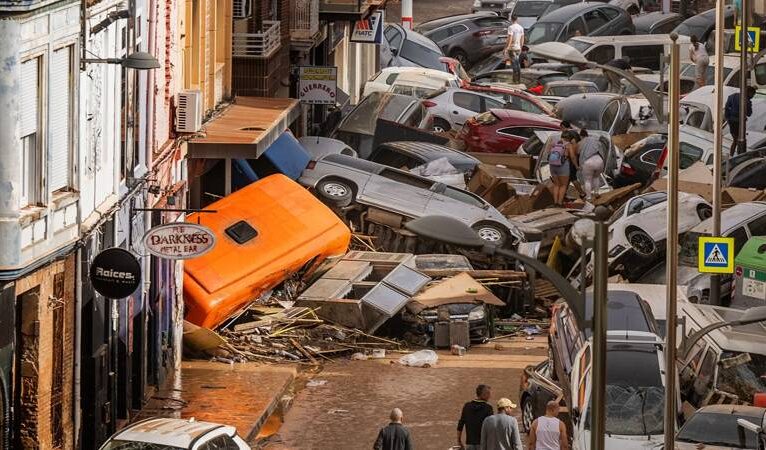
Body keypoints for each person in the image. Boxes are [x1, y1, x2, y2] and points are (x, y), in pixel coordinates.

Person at [458, 385, 494, 450]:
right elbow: (491, 427)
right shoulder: (488, 408)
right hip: (483, 444)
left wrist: (459, 440)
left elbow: (460, 424)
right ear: (484, 394)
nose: (490, 396)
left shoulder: (467, 406)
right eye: (488, 393)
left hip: (469, 444)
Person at [546, 125, 575, 206]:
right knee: (563, 185)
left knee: (556, 185)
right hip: (563, 166)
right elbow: (572, 156)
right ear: (569, 138)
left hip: (552, 165)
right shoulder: (568, 145)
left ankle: (555, 202)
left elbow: (548, 152)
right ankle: (559, 203)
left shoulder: (553, 143)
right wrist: (576, 165)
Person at [576, 129, 607, 203]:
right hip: (599, 160)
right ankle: (596, 193)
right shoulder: (595, 140)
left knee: (587, 180)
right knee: (596, 177)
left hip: (588, 162)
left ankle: (589, 197)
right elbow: (602, 149)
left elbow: (577, 152)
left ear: (581, 136)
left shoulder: (580, 142)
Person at [725, 86, 756, 156]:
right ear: (749, 93)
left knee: (735, 141)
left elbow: (726, 109)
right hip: (740, 124)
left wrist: (728, 119)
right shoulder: (747, 101)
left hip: (732, 122)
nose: (753, 97)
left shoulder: (732, 97)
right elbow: (749, 113)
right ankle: (738, 156)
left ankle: (732, 155)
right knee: (740, 141)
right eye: (753, 95)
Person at [506, 15, 525, 84]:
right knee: (518, 63)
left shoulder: (511, 27)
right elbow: (522, 38)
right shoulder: (521, 27)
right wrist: (521, 46)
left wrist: (507, 47)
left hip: (512, 48)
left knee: (514, 64)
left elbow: (510, 38)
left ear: (511, 19)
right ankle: (518, 79)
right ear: (517, 19)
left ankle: (515, 80)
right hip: (518, 48)